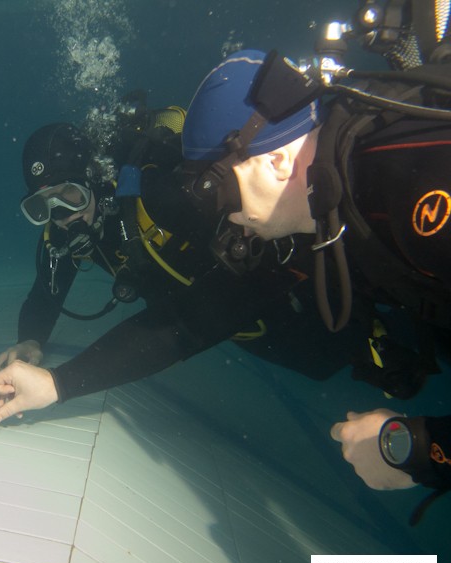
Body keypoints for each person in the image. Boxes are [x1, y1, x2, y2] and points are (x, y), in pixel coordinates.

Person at [179, 40, 451, 500]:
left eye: (217, 192)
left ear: (278, 160)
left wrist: (418, 448)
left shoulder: (418, 187)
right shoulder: (339, 208)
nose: (226, 218)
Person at [0, 104, 368, 425]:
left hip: (285, 296)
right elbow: (45, 295)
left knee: (338, 351)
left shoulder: (160, 199)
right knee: (316, 363)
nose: (61, 215)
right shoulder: (66, 233)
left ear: (96, 181)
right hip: (229, 327)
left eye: (69, 195)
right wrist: (31, 340)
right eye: (42, 206)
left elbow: (213, 308)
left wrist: (60, 383)